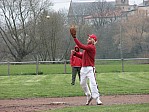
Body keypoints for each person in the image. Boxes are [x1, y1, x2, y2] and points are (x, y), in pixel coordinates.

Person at [70, 25, 102, 105]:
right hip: (83, 69)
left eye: (90, 38)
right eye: (88, 38)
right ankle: (88, 95)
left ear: (93, 40)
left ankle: (97, 99)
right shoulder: (88, 48)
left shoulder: (91, 47)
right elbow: (82, 56)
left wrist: (74, 38)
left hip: (90, 68)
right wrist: (75, 54)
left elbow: (80, 46)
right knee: (82, 83)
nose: (88, 39)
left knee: (93, 83)